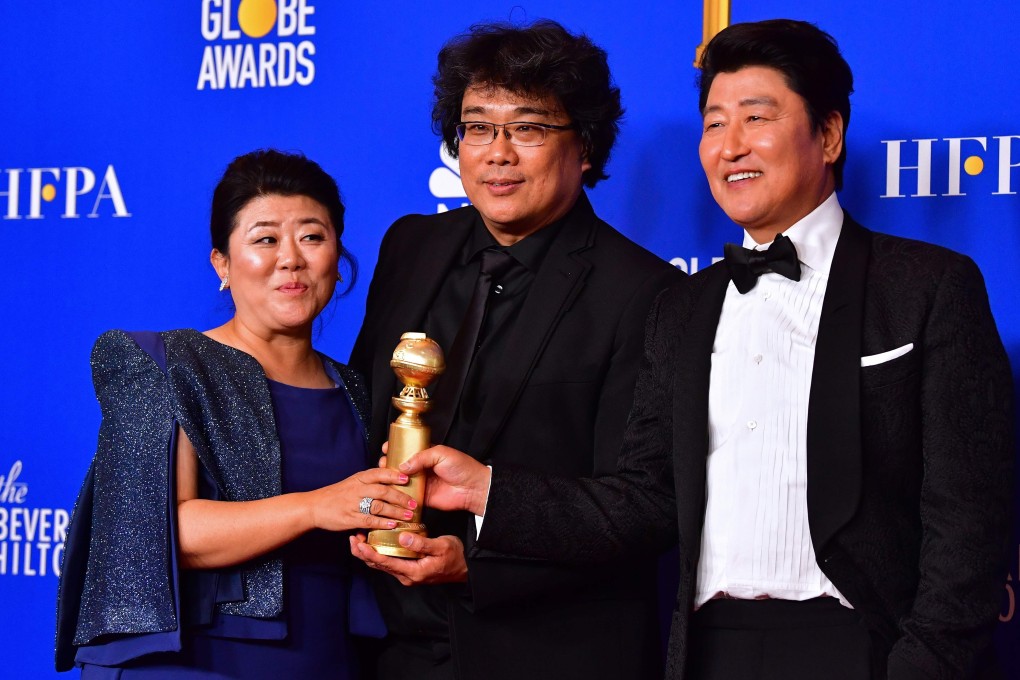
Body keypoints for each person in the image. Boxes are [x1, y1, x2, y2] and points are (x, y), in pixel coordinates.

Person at [400, 19, 1015, 680]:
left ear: (829, 134)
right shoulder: (683, 306)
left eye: (757, 118)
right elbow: (644, 502)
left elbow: (968, 521)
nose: (732, 146)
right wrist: (491, 492)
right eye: (715, 124)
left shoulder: (927, 287)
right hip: (707, 648)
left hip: (861, 644)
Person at [346, 19, 684, 680]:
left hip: (547, 650)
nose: (497, 153)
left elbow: (645, 505)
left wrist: (478, 556)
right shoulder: (410, 247)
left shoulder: (645, 293)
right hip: (391, 648)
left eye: (528, 129)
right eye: (477, 127)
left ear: (584, 146)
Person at [55, 149, 417, 678]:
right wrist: (317, 507)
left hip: (329, 657)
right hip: (192, 660)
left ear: (337, 259)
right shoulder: (163, 363)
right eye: (265, 238)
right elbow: (163, 530)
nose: (290, 258)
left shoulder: (359, 388)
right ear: (221, 264)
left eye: (312, 236)